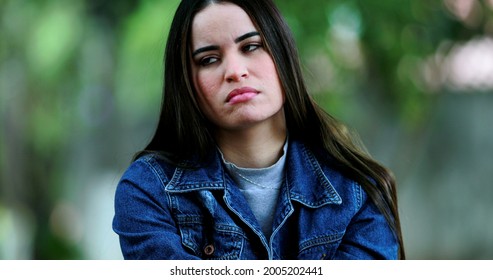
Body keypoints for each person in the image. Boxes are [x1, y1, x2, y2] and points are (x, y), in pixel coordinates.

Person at [113, 0, 405, 260]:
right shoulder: (148, 191)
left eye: (251, 46)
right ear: (186, 83)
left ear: (282, 53)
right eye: (209, 59)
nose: (235, 71)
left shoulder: (359, 191)